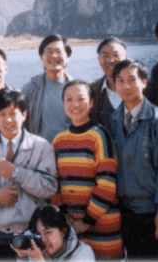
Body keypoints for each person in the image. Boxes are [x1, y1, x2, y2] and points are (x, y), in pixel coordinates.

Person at [0, 89, 58, 260]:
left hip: (34, 234)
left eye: (13, 113)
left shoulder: (42, 147)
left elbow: (49, 189)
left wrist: (17, 173)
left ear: (24, 114)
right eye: (2, 114)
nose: (8, 120)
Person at [107, 59, 158, 260]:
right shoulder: (113, 121)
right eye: (120, 81)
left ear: (144, 82)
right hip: (126, 212)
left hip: (154, 212)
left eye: (132, 79)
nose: (126, 86)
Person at [51, 80, 124, 261]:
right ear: (63, 103)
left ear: (91, 102)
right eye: (69, 99)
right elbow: (54, 183)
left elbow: (107, 184)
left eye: (81, 99)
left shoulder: (99, 135)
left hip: (102, 225)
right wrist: (64, 218)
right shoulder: (59, 140)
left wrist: (87, 221)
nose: (75, 105)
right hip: (72, 228)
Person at [22, 34, 74, 143]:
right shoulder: (30, 89)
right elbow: (22, 125)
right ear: (41, 57)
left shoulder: (77, 89)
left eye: (58, 51)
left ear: (67, 57)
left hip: (71, 151)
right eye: (49, 51)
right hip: (39, 153)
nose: (54, 56)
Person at [12, 205, 96, 262]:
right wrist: (23, 258)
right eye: (39, 234)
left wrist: (40, 260)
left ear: (63, 231)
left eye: (48, 232)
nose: (43, 239)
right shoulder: (35, 246)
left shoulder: (83, 253)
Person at [89, 37, 127, 131]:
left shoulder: (142, 88)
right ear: (99, 59)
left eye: (116, 55)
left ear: (126, 57)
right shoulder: (91, 90)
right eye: (105, 56)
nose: (111, 60)